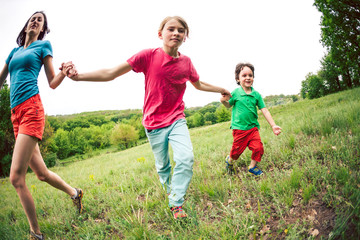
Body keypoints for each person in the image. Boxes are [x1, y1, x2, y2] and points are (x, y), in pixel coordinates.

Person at [66, 16, 231, 219]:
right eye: (171, 29)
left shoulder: (186, 62)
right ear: (160, 34)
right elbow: (111, 73)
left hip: (177, 118)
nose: (176, 33)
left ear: (185, 37)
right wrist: (78, 76)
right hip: (153, 123)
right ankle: (168, 189)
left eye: (181, 30)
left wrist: (220, 89)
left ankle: (176, 203)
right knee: (163, 166)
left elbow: (198, 84)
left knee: (186, 158)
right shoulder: (148, 56)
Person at [0, 11, 83, 240]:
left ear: (42, 29)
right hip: (15, 114)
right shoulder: (14, 52)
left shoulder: (43, 46)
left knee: (16, 178)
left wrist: (64, 73)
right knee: (42, 174)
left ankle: (35, 234)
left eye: (40, 20)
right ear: (26, 24)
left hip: (32, 110)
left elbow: (52, 82)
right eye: (33, 18)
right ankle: (75, 193)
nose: (35, 21)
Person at [220, 63, 281, 176]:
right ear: (238, 79)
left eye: (250, 75)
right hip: (239, 129)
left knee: (259, 148)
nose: (248, 77)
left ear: (253, 77)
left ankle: (252, 167)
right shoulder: (235, 93)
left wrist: (273, 125)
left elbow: (265, 110)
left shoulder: (256, 95)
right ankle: (230, 160)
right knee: (236, 153)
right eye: (244, 75)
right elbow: (229, 105)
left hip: (253, 128)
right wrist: (223, 101)